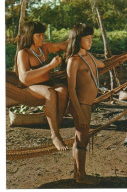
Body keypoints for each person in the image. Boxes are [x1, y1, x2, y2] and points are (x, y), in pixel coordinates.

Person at [15, 21, 68, 151]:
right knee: (50, 92)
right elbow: (25, 78)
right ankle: (55, 135)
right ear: (29, 35)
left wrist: (77, 36)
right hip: (30, 87)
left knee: (63, 90)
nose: (42, 38)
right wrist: (50, 66)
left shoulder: (44, 48)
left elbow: (62, 45)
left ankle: (56, 125)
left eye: (43, 35)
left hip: (47, 83)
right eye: (39, 35)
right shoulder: (24, 53)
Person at [66, 23, 105, 184]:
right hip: (80, 105)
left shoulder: (89, 56)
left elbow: (102, 65)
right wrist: (80, 113)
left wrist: (120, 59)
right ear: (77, 40)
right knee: (82, 139)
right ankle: (81, 176)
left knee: (81, 139)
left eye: (92, 38)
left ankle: (78, 173)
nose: (91, 41)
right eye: (87, 38)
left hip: (87, 104)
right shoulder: (74, 61)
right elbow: (71, 90)